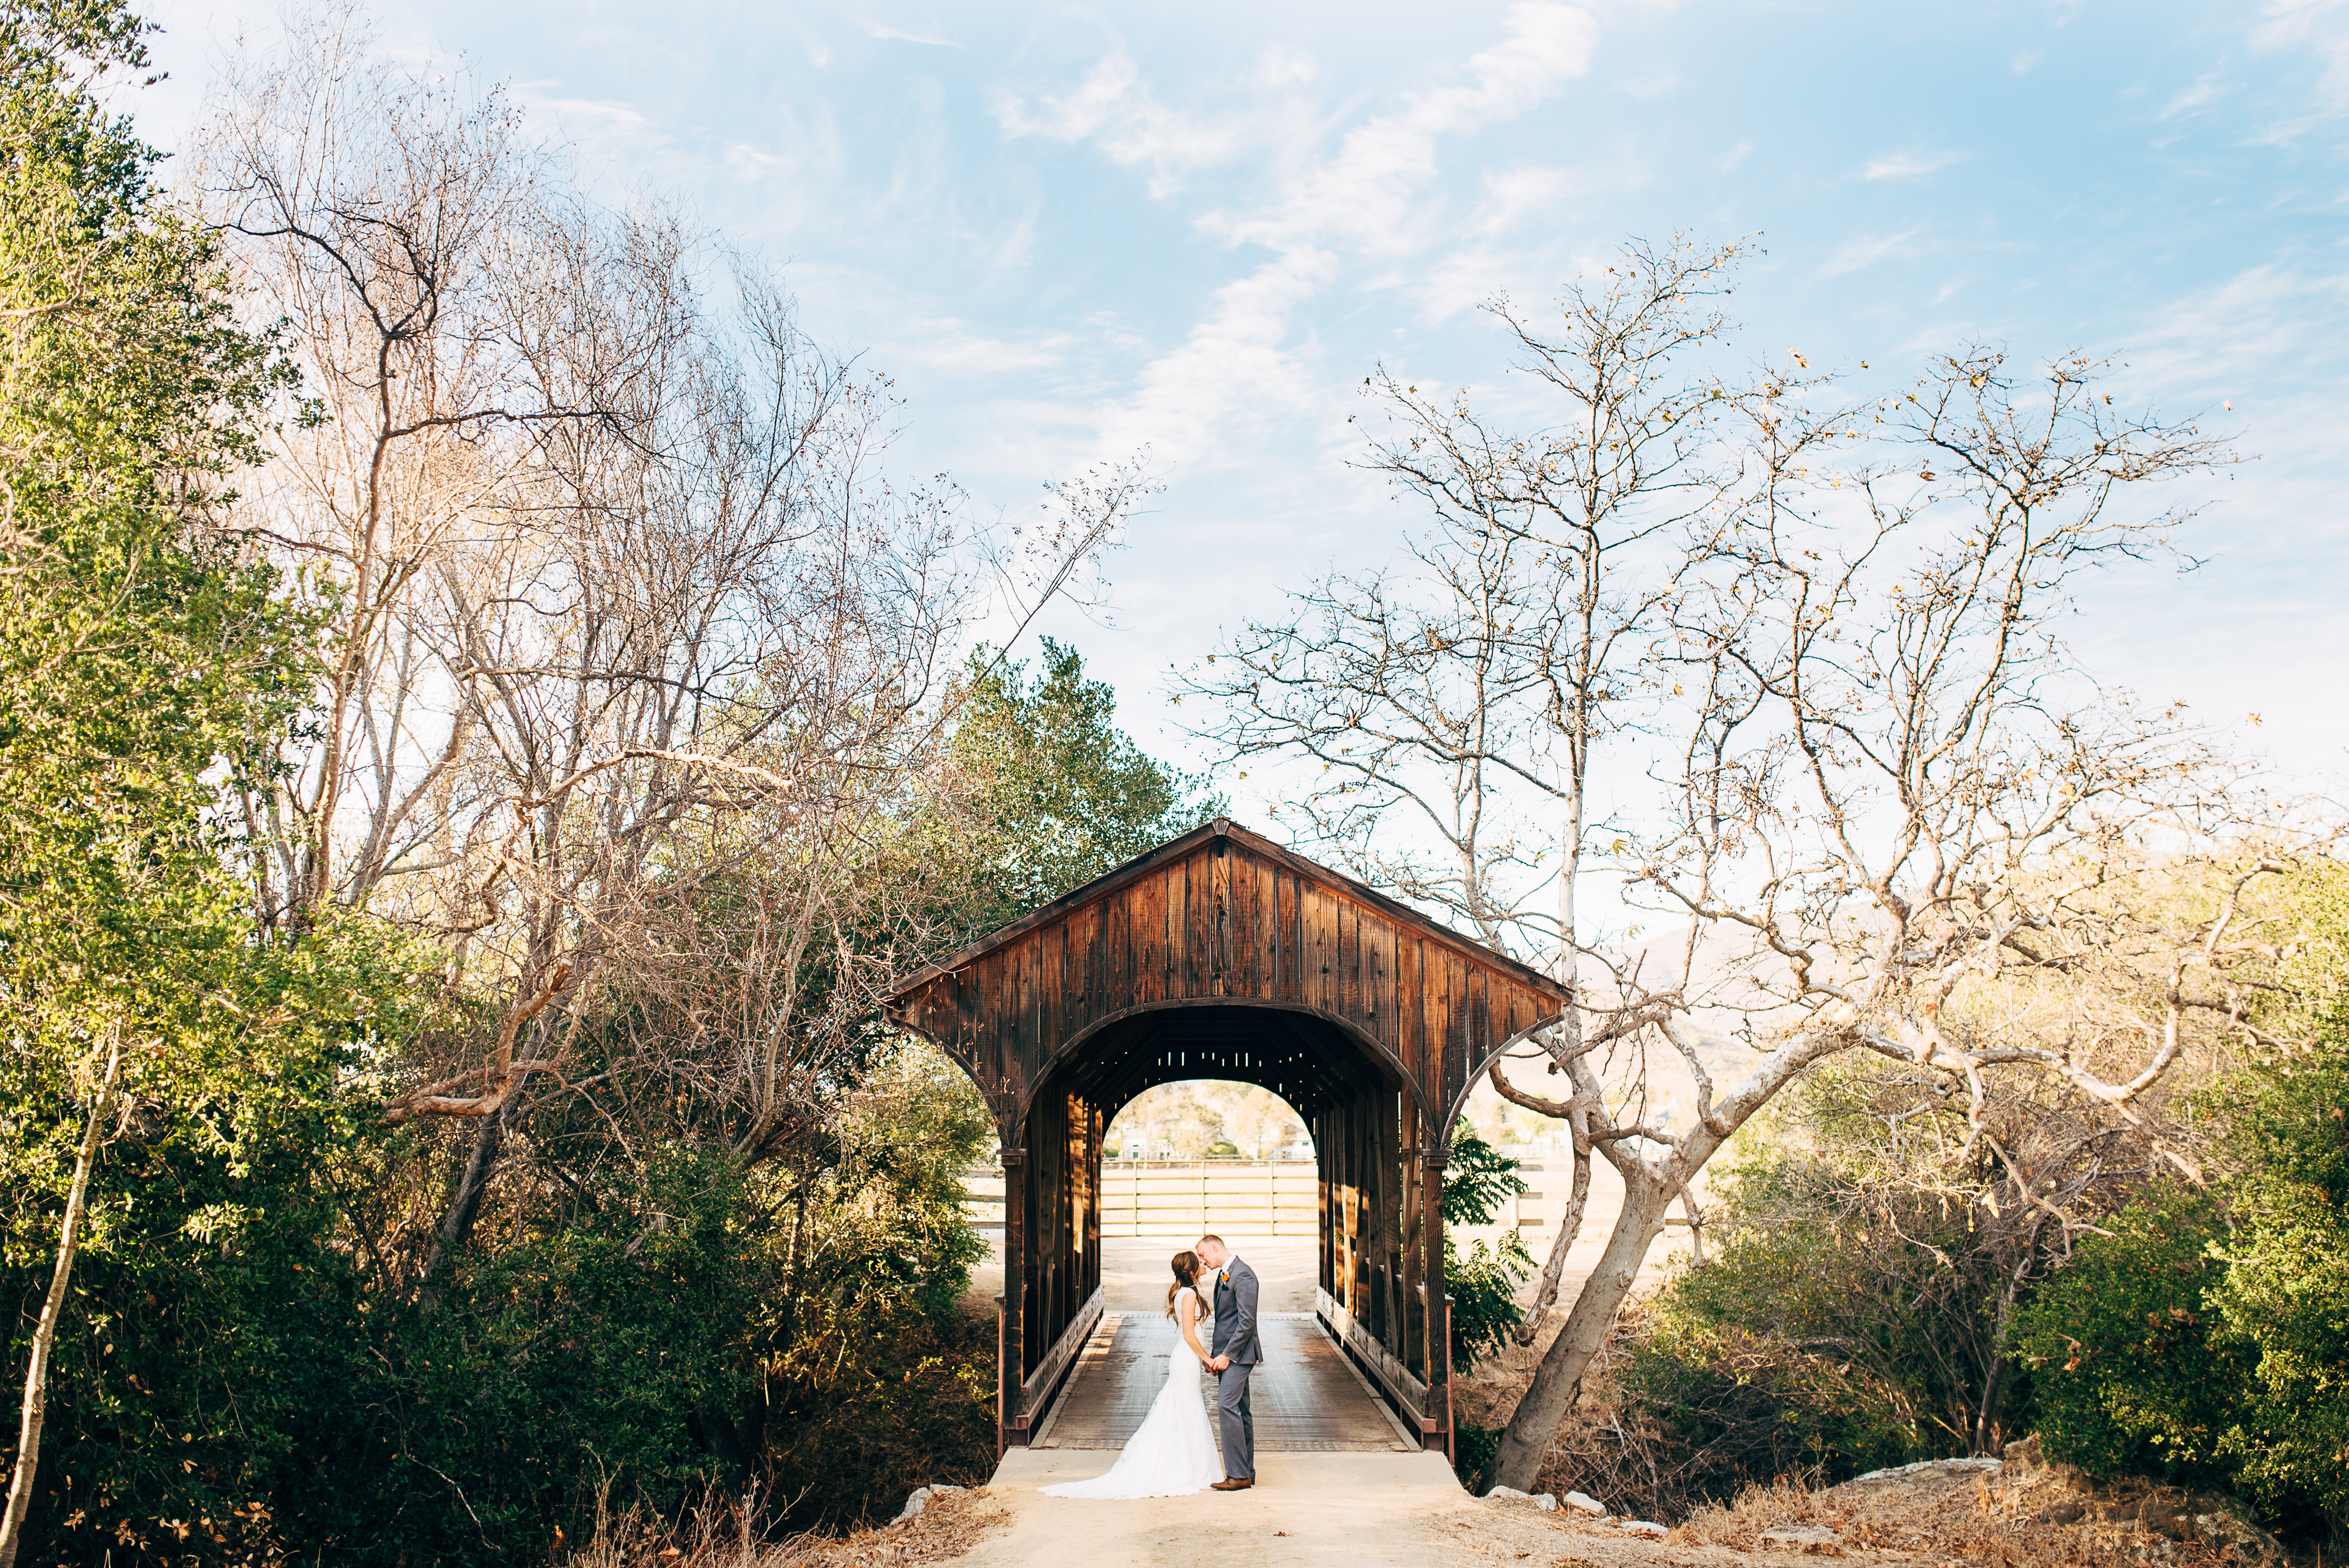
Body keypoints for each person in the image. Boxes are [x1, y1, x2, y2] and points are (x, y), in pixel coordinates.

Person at [1037, 1250, 1222, 1498]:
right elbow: (1189, 1335)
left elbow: (1191, 1336)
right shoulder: (1188, 1295)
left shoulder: (1184, 1293)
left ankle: (1190, 1465)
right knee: (1185, 1409)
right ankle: (1189, 1469)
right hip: (1187, 1359)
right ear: (1191, 1271)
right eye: (1199, 1262)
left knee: (1184, 1409)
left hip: (1187, 1359)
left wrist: (1202, 1358)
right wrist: (1207, 1358)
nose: (1204, 1264)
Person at [1191, 1233, 1260, 1490]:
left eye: (1203, 1255)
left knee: (1226, 1405)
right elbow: (1226, 1320)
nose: (1202, 1260)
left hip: (1240, 1355)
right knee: (1241, 1410)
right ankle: (1247, 1472)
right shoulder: (1224, 1274)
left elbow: (1246, 1322)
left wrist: (1227, 1355)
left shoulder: (1243, 1275)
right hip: (1228, 1353)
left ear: (1214, 1247)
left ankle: (1238, 1475)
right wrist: (1214, 1354)